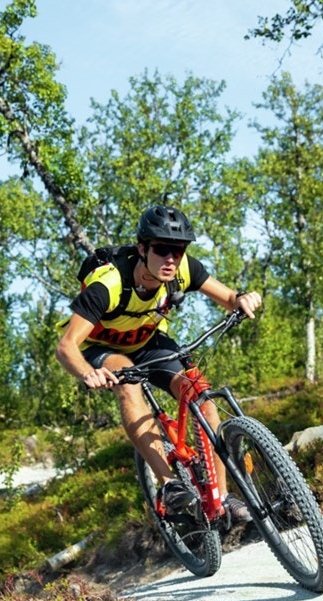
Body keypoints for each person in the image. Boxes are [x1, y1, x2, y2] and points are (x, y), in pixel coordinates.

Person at [55, 204, 262, 522]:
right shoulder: (109, 285)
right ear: (142, 249)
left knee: (200, 393)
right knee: (129, 384)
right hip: (101, 348)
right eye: (162, 249)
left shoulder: (183, 270)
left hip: (149, 342)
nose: (171, 258)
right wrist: (87, 372)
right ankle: (169, 485)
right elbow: (67, 346)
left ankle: (220, 500)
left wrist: (244, 298)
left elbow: (229, 297)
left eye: (178, 251)